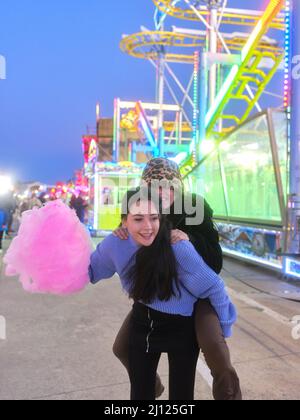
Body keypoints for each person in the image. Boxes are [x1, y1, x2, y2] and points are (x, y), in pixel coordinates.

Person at [89, 187, 237, 400]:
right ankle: (153, 387)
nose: (148, 226)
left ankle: (231, 396)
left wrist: (224, 325)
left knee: (215, 355)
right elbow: (91, 270)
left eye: (153, 219)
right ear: (124, 220)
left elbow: (213, 282)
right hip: (144, 321)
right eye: (138, 219)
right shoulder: (117, 241)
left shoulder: (189, 216)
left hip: (186, 316)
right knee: (130, 368)